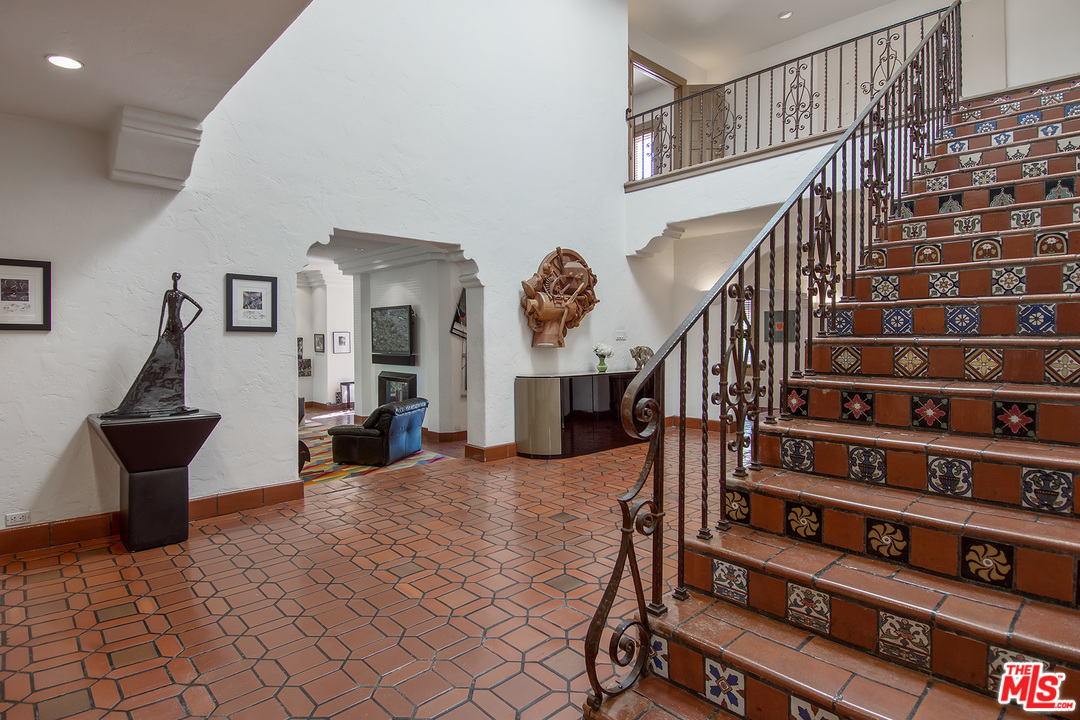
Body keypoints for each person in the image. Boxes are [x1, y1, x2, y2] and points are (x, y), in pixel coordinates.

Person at [104, 272, 203, 417]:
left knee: (178, 363)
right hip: (169, 327)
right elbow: (163, 313)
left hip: (177, 328)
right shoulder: (168, 293)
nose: (175, 279)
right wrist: (159, 335)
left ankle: (177, 402)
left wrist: (185, 328)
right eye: (174, 277)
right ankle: (135, 405)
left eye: (177, 277)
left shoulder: (182, 294)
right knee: (158, 359)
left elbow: (199, 309)